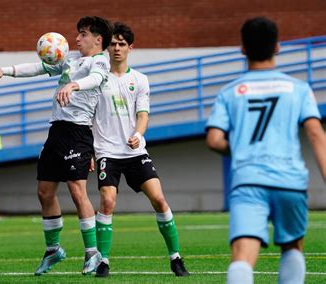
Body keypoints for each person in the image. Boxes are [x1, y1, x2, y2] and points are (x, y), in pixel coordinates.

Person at [0, 16, 113, 276]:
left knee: (78, 191)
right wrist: (6, 70)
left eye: (83, 34)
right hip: (57, 131)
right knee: (44, 191)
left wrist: (74, 85)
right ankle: (53, 250)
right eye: (78, 33)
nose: (77, 38)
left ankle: (92, 252)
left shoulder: (99, 61)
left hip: (78, 132)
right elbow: (39, 67)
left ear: (98, 40)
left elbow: (97, 78)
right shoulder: (71, 62)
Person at [206, 17, 326, 284]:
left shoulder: (229, 92)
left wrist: (241, 151)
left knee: (243, 255)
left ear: (243, 49)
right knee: (292, 247)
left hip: (248, 180)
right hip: (290, 180)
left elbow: (214, 139)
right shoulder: (299, 88)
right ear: (278, 47)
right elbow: (316, 133)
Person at [92, 22, 189, 278]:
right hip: (106, 152)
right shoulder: (97, 79)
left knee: (159, 200)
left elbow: (143, 115)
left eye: (121, 44)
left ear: (130, 48)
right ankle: (103, 262)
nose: (116, 48)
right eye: (112, 43)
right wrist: (89, 153)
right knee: (108, 201)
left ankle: (176, 258)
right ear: (106, 47)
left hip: (135, 152)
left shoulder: (140, 80)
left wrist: (138, 134)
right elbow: (87, 118)